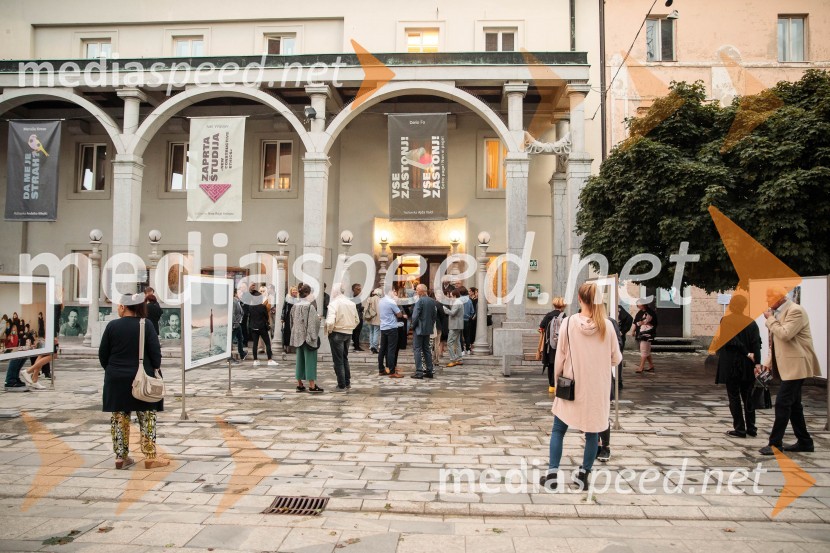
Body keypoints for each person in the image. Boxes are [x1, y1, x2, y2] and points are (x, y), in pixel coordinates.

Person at [540, 282, 622, 490]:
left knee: (558, 430)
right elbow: (616, 358)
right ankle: (584, 475)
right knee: (592, 432)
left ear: (579, 299)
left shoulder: (568, 323)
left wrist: (557, 380)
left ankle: (552, 474)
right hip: (597, 388)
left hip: (571, 385)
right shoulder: (607, 326)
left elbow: (560, 357)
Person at [98, 295, 169, 470]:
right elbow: (156, 355)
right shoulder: (146, 325)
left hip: (116, 379)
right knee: (147, 416)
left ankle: (120, 457)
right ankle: (150, 457)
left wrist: (113, 370)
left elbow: (103, 354)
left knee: (119, 418)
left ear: (123, 307)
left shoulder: (112, 326)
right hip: (142, 378)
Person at [758, 286, 821, 456]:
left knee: (782, 403)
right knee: (794, 405)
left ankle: (775, 444)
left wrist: (770, 319)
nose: (767, 301)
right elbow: (775, 344)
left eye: (770, 297)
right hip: (787, 366)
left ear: (780, 297)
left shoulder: (795, 311)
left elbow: (785, 334)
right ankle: (805, 442)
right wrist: (767, 364)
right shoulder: (778, 313)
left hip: (797, 365)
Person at [715, 294, 761, 438]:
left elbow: (731, 341)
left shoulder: (726, 320)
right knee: (748, 396)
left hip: (732, 364)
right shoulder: (751, 322)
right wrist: (757, 362)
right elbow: (756, 344)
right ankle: (751, 427)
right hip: (747, 365)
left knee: (734, 397)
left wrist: (746, 352)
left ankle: (740, 428)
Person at [597, 317, 624, 463]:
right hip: (585, 377)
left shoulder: (609, 323)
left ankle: (605, 446)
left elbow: (617, 351)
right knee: (589, 414)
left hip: (602, 375)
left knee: (602, 413)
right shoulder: (578, 321)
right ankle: (595, 444)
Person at [326, 284, 360, 391]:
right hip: (348, 333)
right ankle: (347, 382)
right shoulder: (351, 303)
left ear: (336, 291)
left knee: (338, 360)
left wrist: (329, 330)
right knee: (344, 357)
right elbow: (357, 320)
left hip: (337, 332)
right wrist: (350, 328)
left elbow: (330, 321)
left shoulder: (334, 303)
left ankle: (341, 385)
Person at [291, 284, 323, 393]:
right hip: (308, 337)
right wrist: (318, 319)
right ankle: (312, 386)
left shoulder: (295, 306)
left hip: (297, 336)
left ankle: (299, 384)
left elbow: (292, 321)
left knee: (299, 361)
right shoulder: (310, 307)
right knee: (310, 361)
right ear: (308, 294)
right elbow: (313, 323)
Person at [537, 297, 567, 393]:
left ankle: (551, 386)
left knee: (551, 364)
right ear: (563, 306)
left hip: (549, 346)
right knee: (560, 364)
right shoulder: (564, 316)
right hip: (560, 345)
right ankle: (558, 384)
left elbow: (541, 327)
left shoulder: (548, 315)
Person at [410, 284, 437, 380]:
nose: (416, 291)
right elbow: (434, 315)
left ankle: (419, 372)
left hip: (419, 329)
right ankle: (429, 370)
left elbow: (415, 316)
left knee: (417, 349)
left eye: (417, 290)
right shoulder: (432, 301)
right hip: (428, 328)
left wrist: (413, 326)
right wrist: (430, 325)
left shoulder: (419, 301)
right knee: (426, 349)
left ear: (421, 291)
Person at [378, 288, 404, 377]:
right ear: (389, 292)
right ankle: (392, 371)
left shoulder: (381, 301)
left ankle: (381, 369)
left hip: (383, 327)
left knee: (382, 349)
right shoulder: (391, 302)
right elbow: (399, 314)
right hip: (391, 327)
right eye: (393, 291)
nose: (394, 292)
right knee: (391, 350)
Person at [248, 287, 277, 367]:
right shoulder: (262, 307)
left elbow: (250, 317)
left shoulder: (250, 307)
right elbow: (266, 316)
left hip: (253, 327)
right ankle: (269, 360)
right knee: (267, 343)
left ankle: (255, 360)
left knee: (255, 344)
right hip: (262, 327)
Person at [633, 300, 657, 373]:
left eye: (639, 304)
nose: (638, 306)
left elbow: (647, 322)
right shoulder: (640, 312)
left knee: (643, 349)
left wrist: (641, 323)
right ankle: (651, 366)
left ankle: (641, 367)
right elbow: (636, 322)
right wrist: (633, 330)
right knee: (647, 350)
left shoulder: (650, 313)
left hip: (647, 334)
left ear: (643, 304)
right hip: (641, 333)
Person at [443, 289, 464, 367]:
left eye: (451, 296)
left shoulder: (457, 302)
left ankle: (453, 360)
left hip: (455, 325)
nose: (450, 297)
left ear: (455, 296)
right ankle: (459, 359)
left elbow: (452, 313)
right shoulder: (458, 302)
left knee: (450, 342)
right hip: (457, 325)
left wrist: (444, 308)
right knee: (457, 342)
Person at [616, 304, 633, 389]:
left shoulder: (619, 309)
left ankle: (618, 381)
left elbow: (629, 318)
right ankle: (618, 380)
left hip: (619, 339)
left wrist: (622, 331)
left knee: (618, 359)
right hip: (617, 338)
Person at [231, 289, 248, 362]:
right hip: (235, 325)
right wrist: (234, 324)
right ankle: (229, 356)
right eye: (240, 293)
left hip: (238, 324)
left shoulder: (238, 302)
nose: (241, 294)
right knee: (231, 340)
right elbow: (232, 314)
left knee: (240, 338)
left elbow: (241, 312)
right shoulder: (233, 302)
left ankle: (242, 354)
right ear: (235, 294)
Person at [281, 286, 298, 354]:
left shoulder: (298, 299)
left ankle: (295, 348)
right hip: (288, 317)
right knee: (287, 332)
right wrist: (282, 318)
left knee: (295, 332)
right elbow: (284, 308)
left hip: (296, 317)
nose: (294, 292)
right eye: (293, 290)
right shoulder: (287, 298)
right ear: (291, 291)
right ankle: (286, 347)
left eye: (295, 290)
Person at [364, 288, 382, 354]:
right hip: (377, 317)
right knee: (376, 332)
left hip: (370, 317)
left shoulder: (370, 299)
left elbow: (366, 309)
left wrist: (365, 315)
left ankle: (371, 346)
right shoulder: (380, 300)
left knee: (371, 332)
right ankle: (374, 347)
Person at [459, 287, 474, 355]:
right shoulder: (469, 300)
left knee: (460, 335)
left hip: (459, 320)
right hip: (467, 320)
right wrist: (469, 316)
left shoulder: (458, 300)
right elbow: (472, 311)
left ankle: (462, 350)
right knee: (467, 335)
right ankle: (468, 349)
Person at [351, 283, 365, 352]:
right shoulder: (356, 298)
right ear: (354, 290)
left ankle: (356, 345)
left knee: (356, 332)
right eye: (358, 289)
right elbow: (357, 309)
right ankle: (356, 346)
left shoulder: (355, 298)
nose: (360, 291)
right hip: (357, 318)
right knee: (356, 332)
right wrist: (361, 309)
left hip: (356, 317)